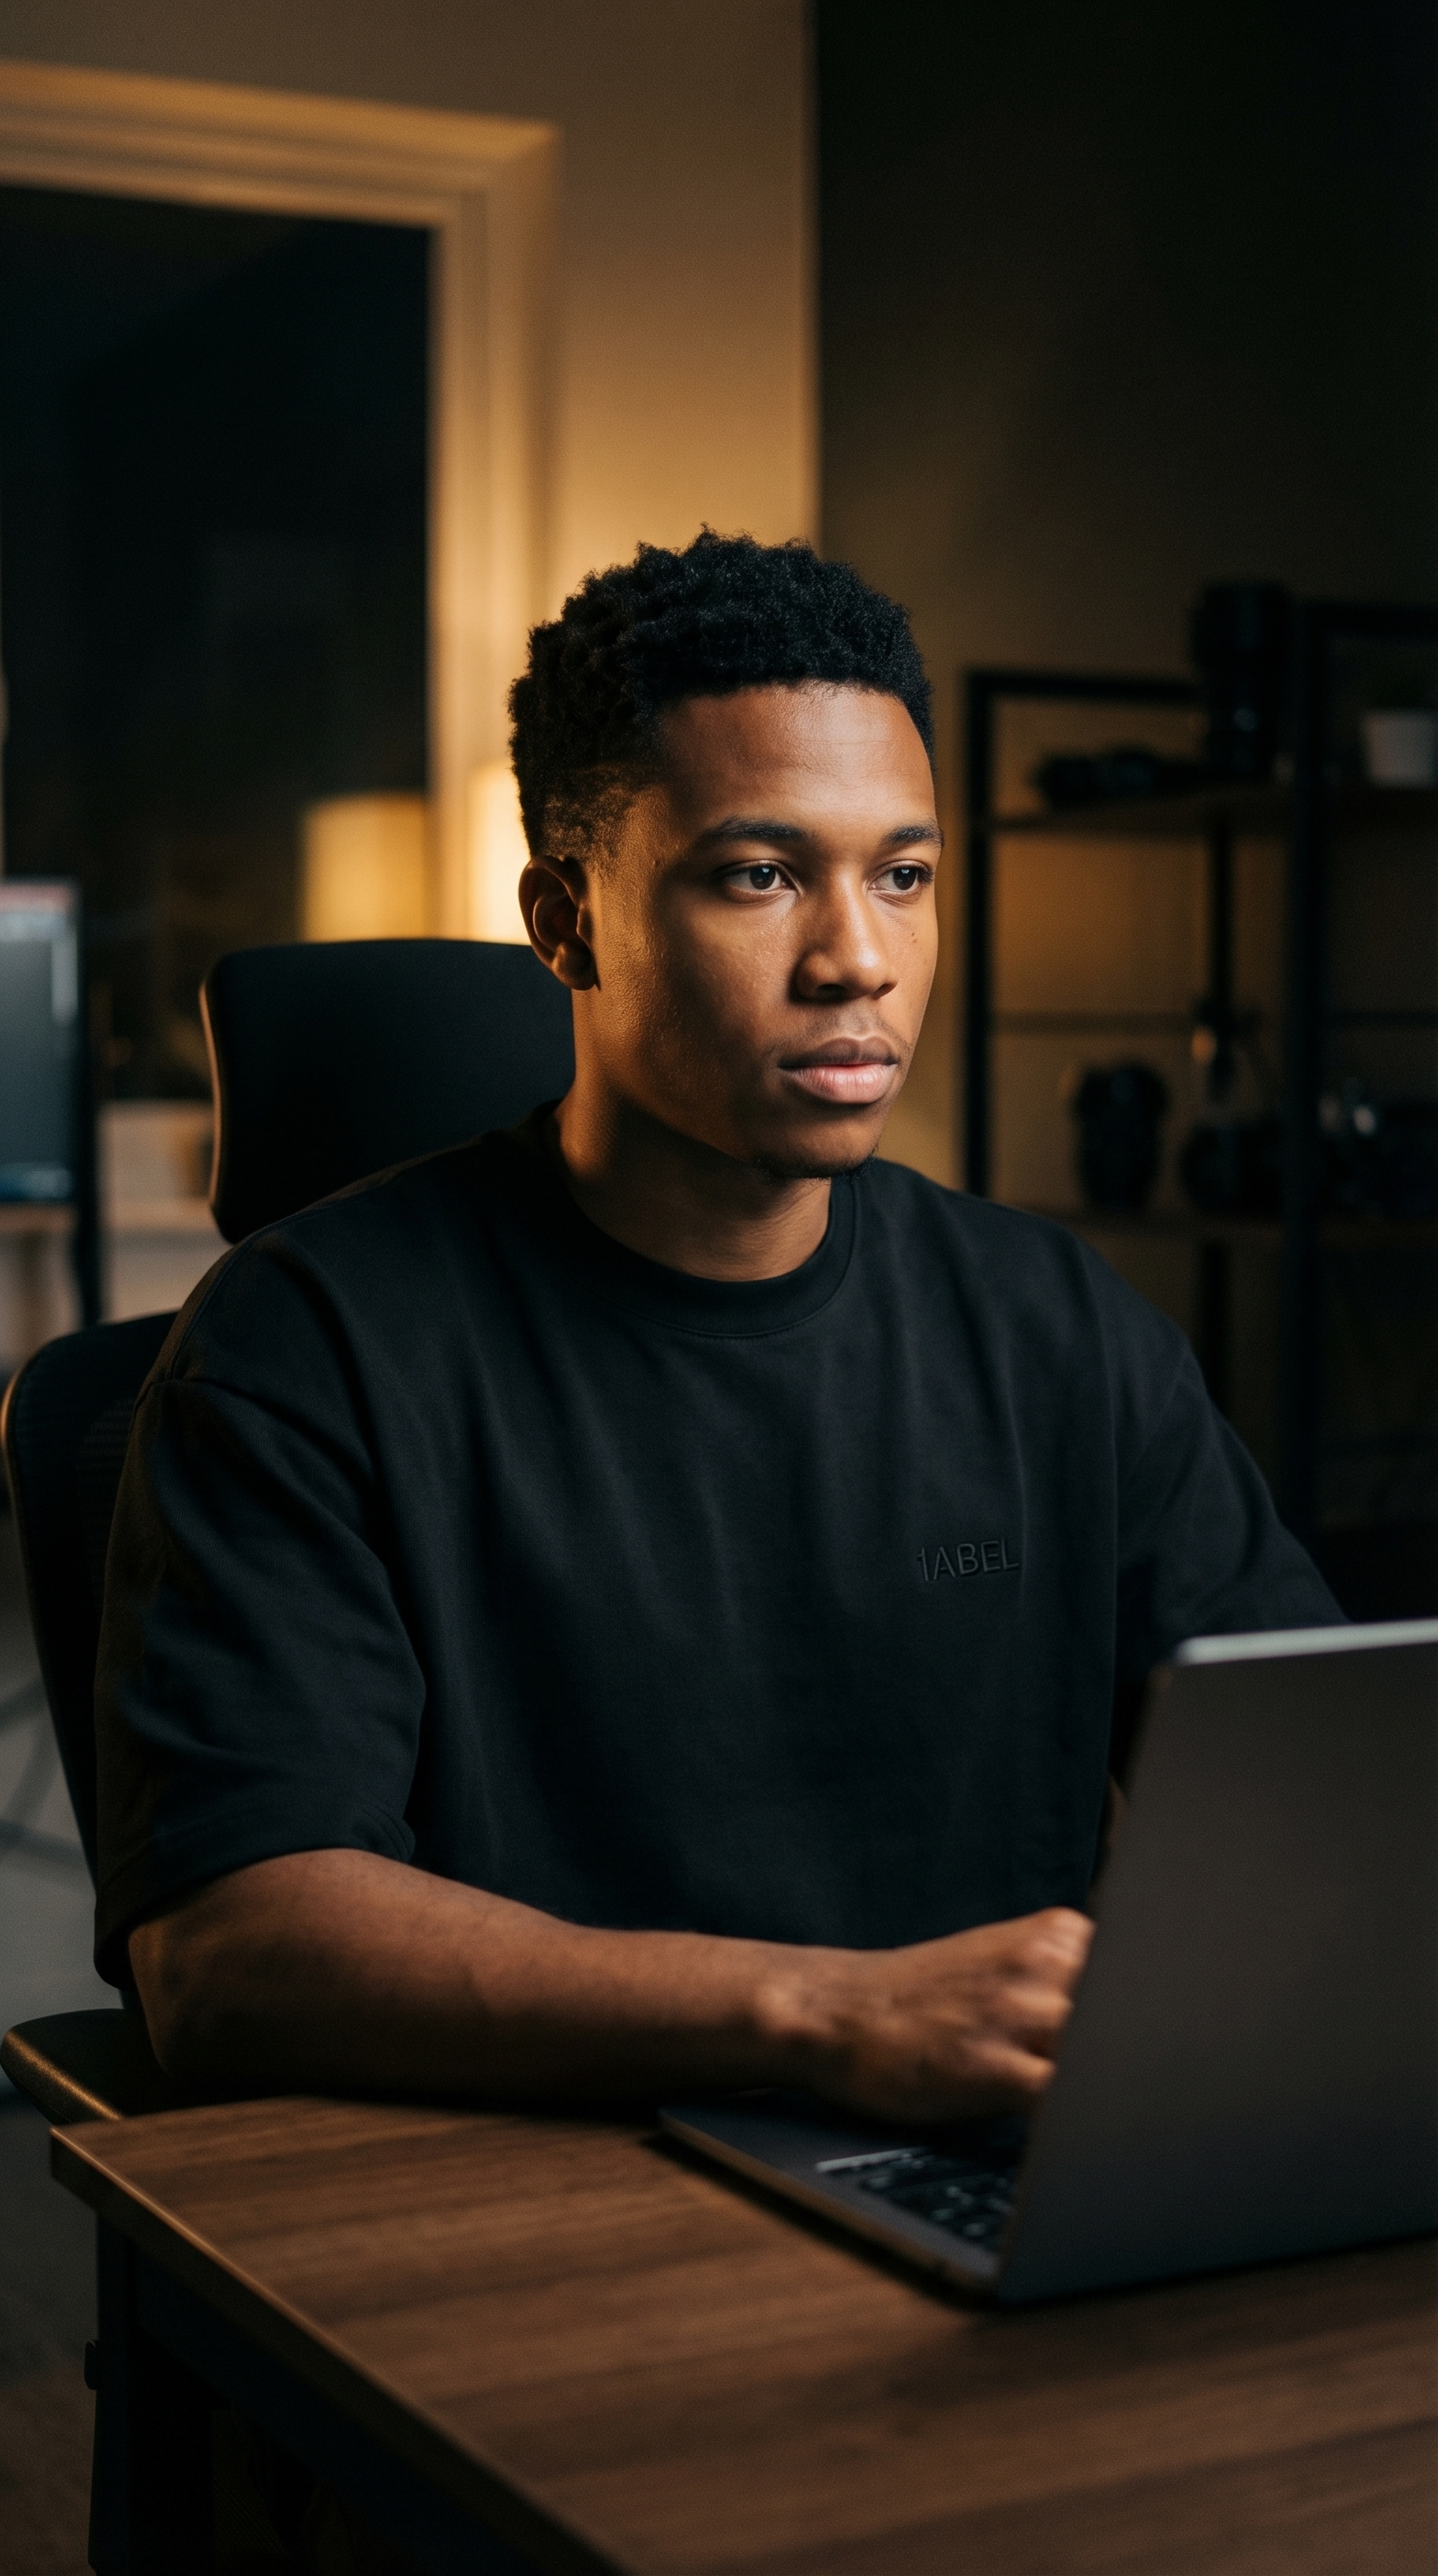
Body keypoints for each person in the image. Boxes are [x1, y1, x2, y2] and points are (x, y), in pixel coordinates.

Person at [97, 532, 1338, 2120]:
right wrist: (831, 2016)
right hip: (533, 2208)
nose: (860, 961)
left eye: (903, 875)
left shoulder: (1057, 1326)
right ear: (566, 920)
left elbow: (1317, 1788)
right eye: (761, 876)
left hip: (988, 2178)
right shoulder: (301, 1347)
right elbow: (230, 1950)